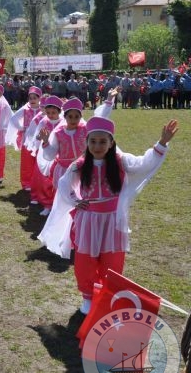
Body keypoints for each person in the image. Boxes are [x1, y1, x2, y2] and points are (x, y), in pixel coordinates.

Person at [39, 117, 178, 315]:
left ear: (111, 143)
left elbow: (143, 164)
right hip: (88, 220)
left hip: (113, 219)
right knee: (85, 260)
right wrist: (75, 200)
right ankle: (87, 296)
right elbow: (63, 184)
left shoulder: (120, 161)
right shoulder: (80, 164)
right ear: (86, 142)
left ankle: (107, 293)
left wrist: (161, 143)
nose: (97, 146)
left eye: (103, 141)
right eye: (93, 141)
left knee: (112, 259)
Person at [7, 86, 42, 191]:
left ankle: (39, 182)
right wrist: (21, 128)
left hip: (40, 139)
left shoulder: (43, 109)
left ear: (39, 98)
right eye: (30, 98)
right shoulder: (26, 109)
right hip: (28, 139)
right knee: (27, 161)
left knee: (39, 161)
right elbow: (13, 119)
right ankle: (26, 183)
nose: (32, 100)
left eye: (34, 98)